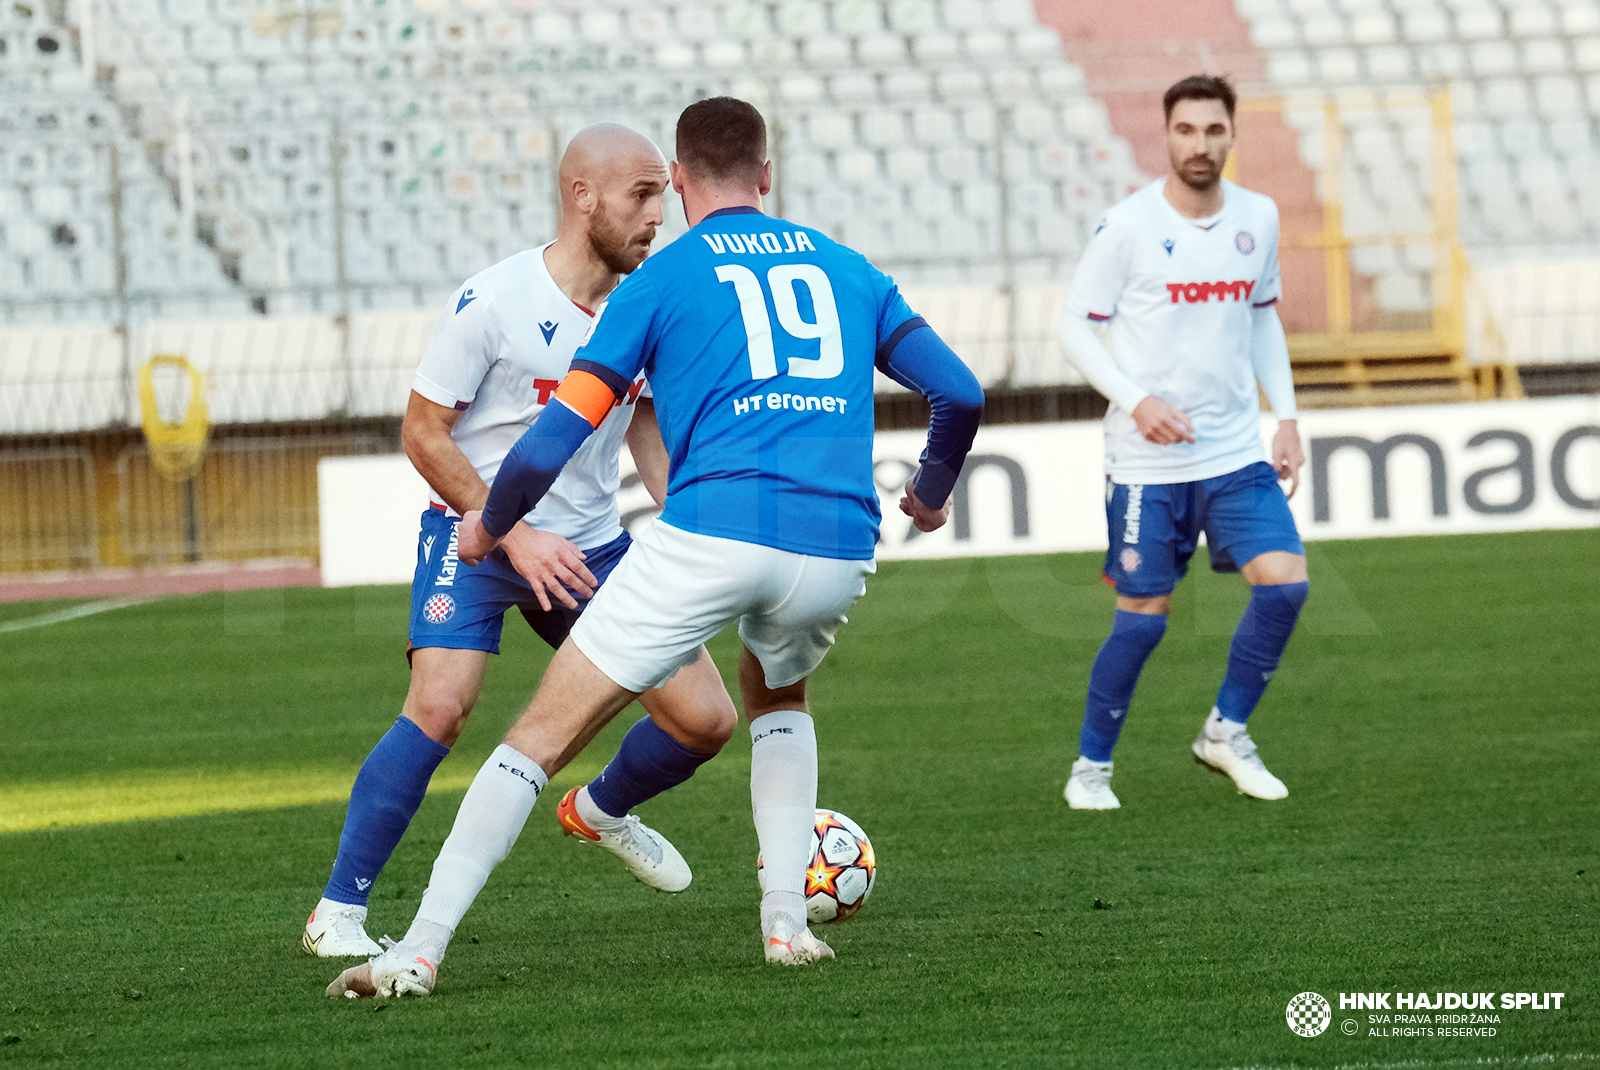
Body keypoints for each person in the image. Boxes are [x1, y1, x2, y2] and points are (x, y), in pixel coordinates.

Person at [326, 96, 983, 997]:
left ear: (680, 181)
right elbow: (961, 392)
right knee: (778, 700)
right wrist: (931, 493)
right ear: (766, 174)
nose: (651, 209)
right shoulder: (848, 267)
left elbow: (559, 438)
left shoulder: (660, 283)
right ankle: (785, 924)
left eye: (657, 191)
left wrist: (493, 522)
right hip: (836, 544)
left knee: (538, 739)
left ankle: (421, 948)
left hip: (678, 539)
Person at [303, 123, 738, 958]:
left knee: (705, 722)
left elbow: (644, 428)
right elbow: (424, 433)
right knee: (439, 706)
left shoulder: (645, 305)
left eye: (663, 195)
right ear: (584, 197)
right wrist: (514, 532)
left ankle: (602, 809)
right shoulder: (495, 301)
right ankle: (339, 913)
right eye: (643, 195)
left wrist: (696, 518)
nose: (660, 215)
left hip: (589, 549)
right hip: (474, 536)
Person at [1057, 75, 1309, 811]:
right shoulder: (1127, 226)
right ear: (1166, 137)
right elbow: (1075, 326)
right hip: (1146, 464)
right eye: (1186, 131)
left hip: (1234, 452)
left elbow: (1261, 317)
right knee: (1144, 620)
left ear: (1233, 134)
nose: (1200, 145)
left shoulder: (1257, 218)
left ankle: (1226, 732)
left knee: (1286, 583)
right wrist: (1135, 401)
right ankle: (1091, 769)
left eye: (1214, 130)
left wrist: (1285, 416)